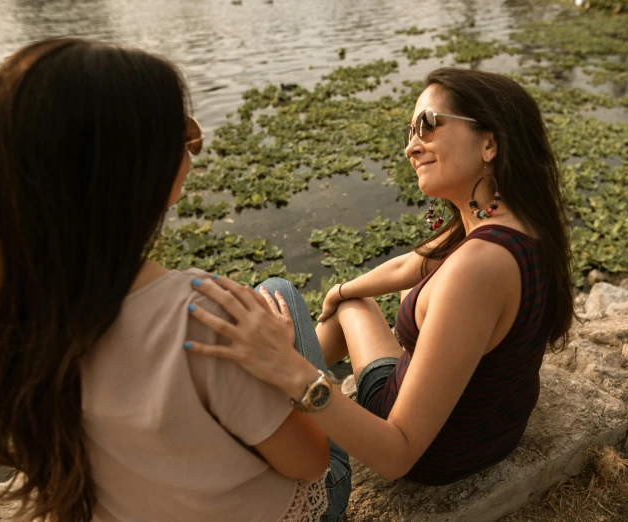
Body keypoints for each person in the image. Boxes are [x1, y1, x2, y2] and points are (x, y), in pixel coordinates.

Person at [0, 38, 350, 522]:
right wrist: (283, 363)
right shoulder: (200, 315)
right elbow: (310, 463)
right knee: (279, 292)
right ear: (137, 168)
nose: (192, 147)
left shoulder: (19, 310)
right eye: (180, 134)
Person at [185, 68, 574, 485]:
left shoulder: (476, 267)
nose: (411, 146)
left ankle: (258, 394)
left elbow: (397, 453)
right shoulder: (516, 223)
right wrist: (339, 290)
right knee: (351, 302)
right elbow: (411, 264)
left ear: (489, 143)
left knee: (278, 293)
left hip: (431, 452)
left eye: (427, 125)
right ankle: (267, 384)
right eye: (409, 131)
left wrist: (291, 369)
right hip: (491, 434)